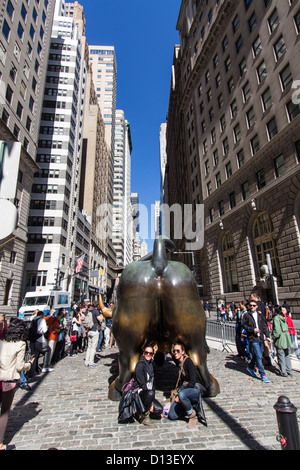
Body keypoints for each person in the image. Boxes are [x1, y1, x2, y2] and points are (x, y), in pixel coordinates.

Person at [0, 318, 34, 450]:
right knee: (5, 411)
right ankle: (1, 443)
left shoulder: (2, 341)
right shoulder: (20, 344)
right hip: (9, 380)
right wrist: (29, 364)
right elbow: (20, 366)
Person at [168, 342, 206, 429]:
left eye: (178, 351)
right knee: (172, 415)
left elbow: (193, 381)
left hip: (194, 390)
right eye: (174, 351)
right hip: (184, 391)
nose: (176, 353)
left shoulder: (188, 362)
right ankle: (187, 407)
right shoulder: (178, 363)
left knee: (182, 395)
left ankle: (192, 416)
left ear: (183, 352)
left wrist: (180, 393)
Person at [132, 345, 162, 426]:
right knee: (150, 393)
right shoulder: (140, 365)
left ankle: (143, 408)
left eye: (150, 353)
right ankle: (144, 415)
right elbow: (142, 385)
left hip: (148, 393)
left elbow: (152, 384)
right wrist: (151, 403)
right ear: (143, 353)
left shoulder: (151, 364)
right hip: (140, 392)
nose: (148, 354)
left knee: (159, 410)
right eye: (146, 352)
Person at [242, 300, 271, 383]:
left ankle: (250, 367)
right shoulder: (246, 315)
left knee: (257, 355)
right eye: (250, 305)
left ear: (256, 306)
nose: (252, 307)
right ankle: (263, 374)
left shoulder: (260, 315)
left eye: (254, 305)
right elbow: (244, 325)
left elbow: (264, 326)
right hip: (253, 338)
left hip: (260, 337)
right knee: (258, 356)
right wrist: (252, 330)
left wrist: (267, 336)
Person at [28, 310, 52, 375]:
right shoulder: (42, 320)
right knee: (48, 350)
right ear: (42, 315)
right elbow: (44, 330)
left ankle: (32, 372)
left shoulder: (32, 320)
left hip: (32, 340)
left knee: (34, 356)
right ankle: (45, 366)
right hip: (40, 340)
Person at [272, 308, 293, 377]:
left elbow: (277, 331)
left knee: (281, 355)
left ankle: (283, 372)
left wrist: (273, 337)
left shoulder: (276, 318)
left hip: (281, 338)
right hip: (286, 337)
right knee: (287, 354)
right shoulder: (283, 317)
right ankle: (289, 370)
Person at [85, 303, 103, 367]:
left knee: (89, 346)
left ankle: (86, 361)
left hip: (89, 330)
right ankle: (91, 362)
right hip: (94, 330)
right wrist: (101, 315)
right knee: (93, 347)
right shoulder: (96, 312)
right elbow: (100, 320)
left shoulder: (90, 311)